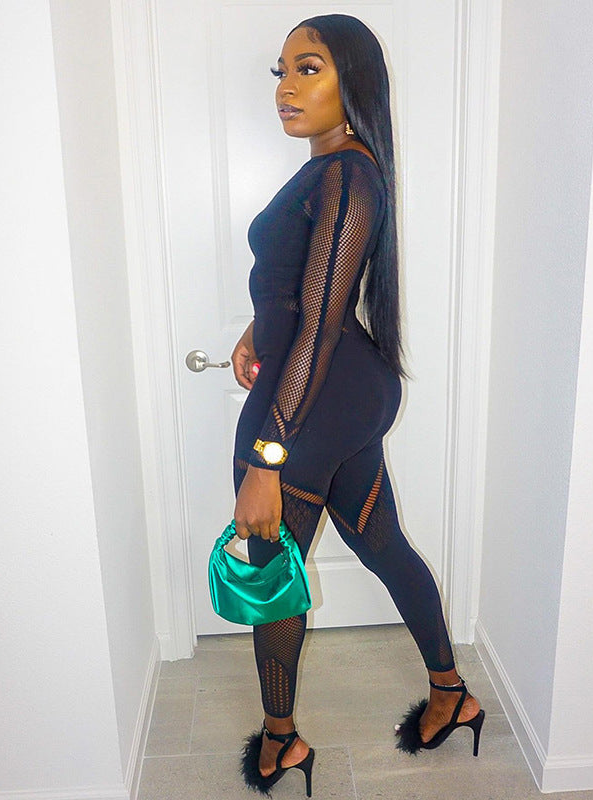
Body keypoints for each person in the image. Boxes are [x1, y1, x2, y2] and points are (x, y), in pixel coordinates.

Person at [230, 14, 484, 796]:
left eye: (309, 68)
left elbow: (320, 324)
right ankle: (452, 693)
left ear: (355, 82)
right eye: (281, 71)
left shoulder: (347, 174)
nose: (287, 87)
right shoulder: (335, 170)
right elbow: (307, 292)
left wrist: (266, 460)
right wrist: (255, 328)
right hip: (342, 391)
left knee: (273, 573)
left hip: (315, 398)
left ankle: (281, 742)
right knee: (382, 544)